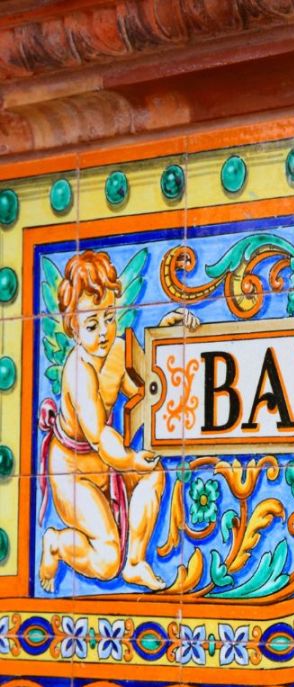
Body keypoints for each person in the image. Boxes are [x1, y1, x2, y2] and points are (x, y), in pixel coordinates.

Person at [38, 249, 198, 592]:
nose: (104, 332)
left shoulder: (117, 350)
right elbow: (99, 435)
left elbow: (144, 383)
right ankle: (56, 544)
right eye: (91, 325)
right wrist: (130, 460)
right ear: (72, 329)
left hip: (105, 460)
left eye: (109, 318)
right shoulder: (78, 373)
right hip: (73, 473)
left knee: (154, 474)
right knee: (108, 559)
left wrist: (166, 334)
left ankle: (136, 562)